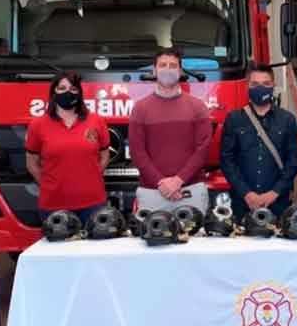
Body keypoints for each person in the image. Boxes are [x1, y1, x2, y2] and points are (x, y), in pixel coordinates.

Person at [130, 48, 211, 213]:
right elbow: (137, 151)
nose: (168, 69)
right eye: (163, 65)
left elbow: (203, 150)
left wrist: (178, 181)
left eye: (173, 66)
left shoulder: (198, 107)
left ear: (180, 71)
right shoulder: (140, 109)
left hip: (191, 191)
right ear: (155, 70)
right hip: (152, 193)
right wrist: (161, 182)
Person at [25, 72, 110, 224]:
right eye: (62, 88)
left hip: (93, 204)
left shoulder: (96, 121)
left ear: (79, 93)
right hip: (53, 206)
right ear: (53, 93)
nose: (68, 92)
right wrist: (49, 185)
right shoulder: (37, 125)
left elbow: (104, 156)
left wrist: (91, 177)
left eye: (73, 89)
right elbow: (32, 164)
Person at [220, 64, 297, 219]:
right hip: (242, 203)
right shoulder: (234, 119)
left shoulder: (287, 119)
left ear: (273, 86)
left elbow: (294, 160)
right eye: (255, 84)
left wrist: (274, 193)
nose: (260, 88)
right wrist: (246, 193)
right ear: (247, 86)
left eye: (266, 84)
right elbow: (226, 160)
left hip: (277, 204)